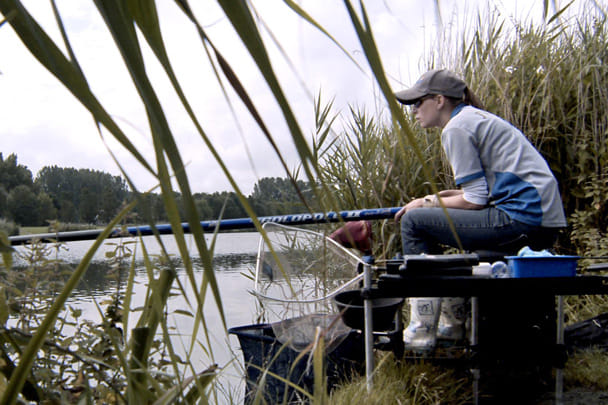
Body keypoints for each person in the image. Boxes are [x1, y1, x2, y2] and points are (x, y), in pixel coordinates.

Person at [393, 69, 567, 350]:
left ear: (439, 100)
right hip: (540, 219)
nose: (413, 111)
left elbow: (474, 201)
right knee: (423, 216)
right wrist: (434, 198)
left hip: (524, 218)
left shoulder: (456, 128)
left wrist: (425, 203)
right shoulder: (473, 118)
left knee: (413, 221)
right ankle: (451, 325)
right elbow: (481, 195)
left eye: (418, 102)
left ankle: (423, 331)